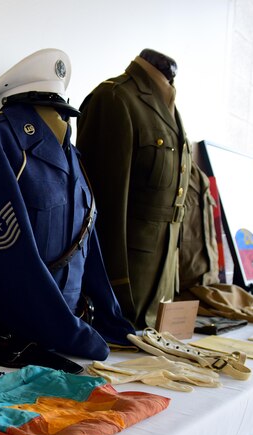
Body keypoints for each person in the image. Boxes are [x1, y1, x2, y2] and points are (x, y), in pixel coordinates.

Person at [0, 49, 133, 368]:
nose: (61, 120)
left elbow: (89, 252)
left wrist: (112, 322)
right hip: (18, 335)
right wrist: (72, 334)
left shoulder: (73, 156)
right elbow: (7, 259)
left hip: (71, 333)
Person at [77, 49, 192, 329]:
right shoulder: (115, 98)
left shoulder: (171, 106)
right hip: (128, 287)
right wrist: (113, 285)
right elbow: (104, 205)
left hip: (162, 285)